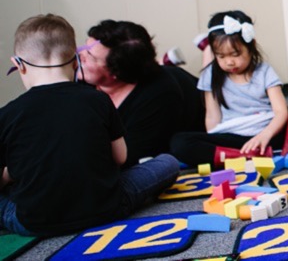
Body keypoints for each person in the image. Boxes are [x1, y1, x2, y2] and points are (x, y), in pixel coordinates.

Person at [0, 14, 179, 236]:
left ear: (18, 65)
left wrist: (13, 171)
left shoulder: (7, 114)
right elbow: (121, 158)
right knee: (168, 163)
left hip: (33, 222)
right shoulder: (98, 99)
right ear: (75, 61)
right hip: (107, 209)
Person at [170, 11, 288, 167]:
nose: (229, 62)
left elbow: (281, 112)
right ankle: (247, 157)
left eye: (235, 54)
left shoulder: (264, 71)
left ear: (251, 46)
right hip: (234, 139)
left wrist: (264, 135)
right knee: (179, 142)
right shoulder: (210, 75)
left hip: (269, 133)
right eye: (221, 56)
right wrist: (211, 142)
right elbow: (212, 117)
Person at [79, 19, 201, 168]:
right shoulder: (81, 83)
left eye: (89, 56)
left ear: (116, 72)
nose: (79, 54)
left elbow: (127, 159)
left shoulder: (159, 95)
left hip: (180, 147)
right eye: (85, 46)